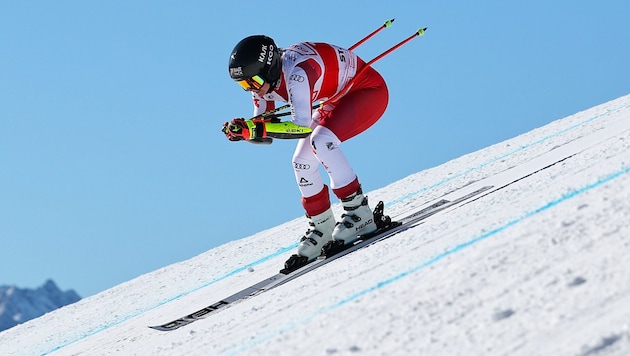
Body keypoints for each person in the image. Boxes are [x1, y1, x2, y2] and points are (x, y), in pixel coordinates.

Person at [222, 35, 389, 267]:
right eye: (244, 85)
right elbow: (265, 132)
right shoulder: (262, 83)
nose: (252, 90)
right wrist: (245, 132)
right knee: (301, 161)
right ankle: (323, 226)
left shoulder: (298, 74)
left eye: (253, 83)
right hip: (334, 99)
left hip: (366, 90)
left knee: (321, 142)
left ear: (269, 69)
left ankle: (359, 212)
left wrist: (255, 129)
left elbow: (299, 128)